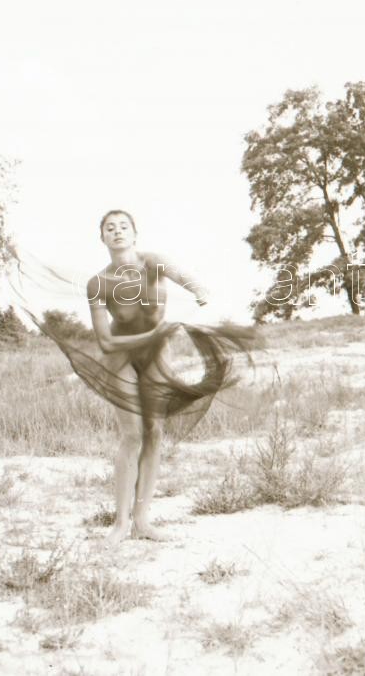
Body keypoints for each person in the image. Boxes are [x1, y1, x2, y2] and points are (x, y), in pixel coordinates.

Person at [80, 209, 249, 547]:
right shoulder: (97, 283)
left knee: (154, 432)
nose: (117, 232)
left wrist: (199, 289)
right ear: (102, 238)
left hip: (157, 354)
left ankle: (142, 520)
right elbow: (105, 342)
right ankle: (119, 524)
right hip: (120, 356)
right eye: (110, 228)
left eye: (123, 226)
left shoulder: (154, 263)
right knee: (132, 434)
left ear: (135, 233)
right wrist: (154, 334)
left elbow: (185, 276)